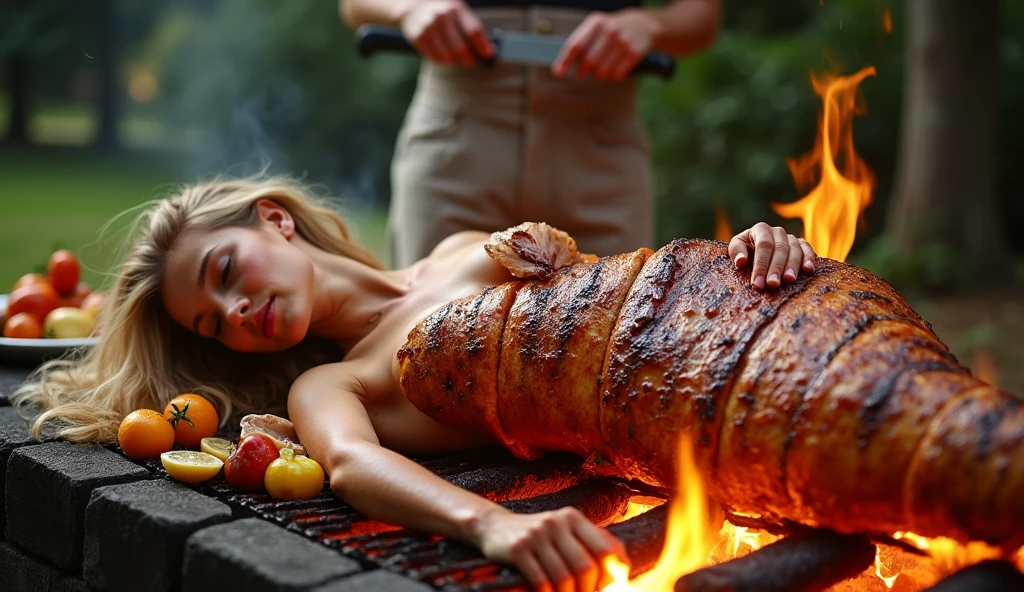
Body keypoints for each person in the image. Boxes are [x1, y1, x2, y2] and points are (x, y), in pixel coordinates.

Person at [12, 177, 816, 592]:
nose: (234, 310)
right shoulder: (332, 383)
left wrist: (742, 257)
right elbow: (356, 468)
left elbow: (620, 301)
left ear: (274, 220)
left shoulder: (468, 248)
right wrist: (489, 527)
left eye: (224, 273)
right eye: (212, 324)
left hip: (737, 369)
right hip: (699, 450)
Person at [339, 0, 722, 268]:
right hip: (456, 138)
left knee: (612, 347)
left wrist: (648, 23)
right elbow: (355, 4)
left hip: (601, 148)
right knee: (422, 339)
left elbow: (701, 15)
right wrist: (409, 7)